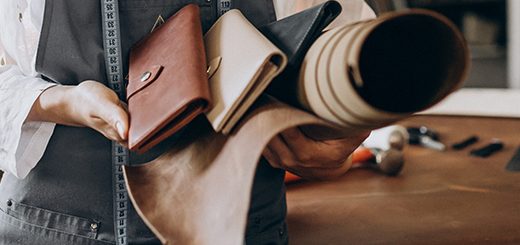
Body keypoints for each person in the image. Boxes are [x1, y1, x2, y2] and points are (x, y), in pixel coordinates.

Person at [0, 0, 374, 244]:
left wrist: (341, 133)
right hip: (50, 230)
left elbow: (355, 56)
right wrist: (58, 102)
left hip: (248, 231)